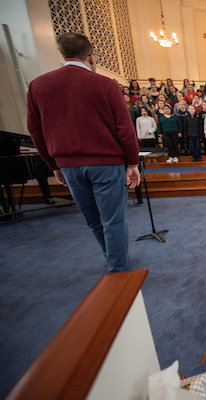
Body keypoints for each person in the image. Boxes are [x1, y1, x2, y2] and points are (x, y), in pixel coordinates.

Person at [26, 32, 140, 273]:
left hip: (68, 166)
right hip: (106, 164)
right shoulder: (106, 84)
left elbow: (36, 132)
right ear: (91, 57)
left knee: (94, 220)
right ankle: (119, 272)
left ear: (63, 54)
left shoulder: (38, 85)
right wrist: (132, 162)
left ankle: (114, 258)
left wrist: (54, 165)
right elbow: (124, 127)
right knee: (113, 221)